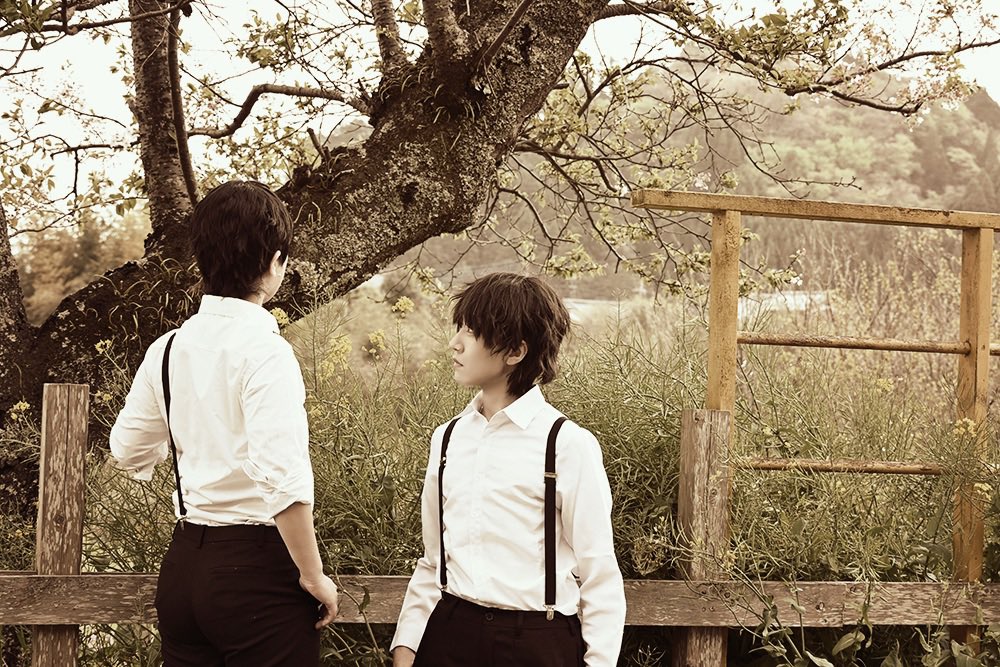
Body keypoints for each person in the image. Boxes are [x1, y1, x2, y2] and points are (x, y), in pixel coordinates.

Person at [110, 180, 338, 666]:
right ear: (275, 262)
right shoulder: (267, 352)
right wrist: (313, 575)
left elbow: (127, 449)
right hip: (255, 577)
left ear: (202, 258)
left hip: (185, 569)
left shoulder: (167, 349)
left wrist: (188, 438)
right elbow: (283, 480)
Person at [391, 272, 626, 667]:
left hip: (538, 641)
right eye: (459, 328)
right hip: (450, 633)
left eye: (471, 332)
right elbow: (434, 560)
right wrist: (406, 646)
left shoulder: (566, 444)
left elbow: (599, 573)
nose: (455, 343)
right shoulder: (447, 438)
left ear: (515, 351)